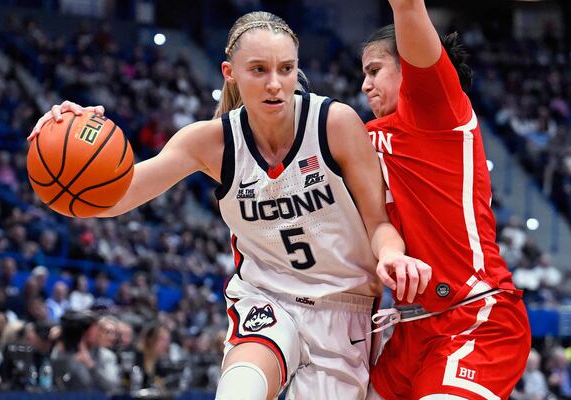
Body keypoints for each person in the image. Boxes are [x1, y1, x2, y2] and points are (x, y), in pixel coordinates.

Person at [29, 11, 431, 400]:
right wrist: (66, 141)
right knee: (240, 390)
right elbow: (114, 197)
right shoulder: (210, 142)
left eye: (286, 69)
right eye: (258, 70)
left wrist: (393, 256)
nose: (275, 84)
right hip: (268, 297)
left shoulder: (334, 124)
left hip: (345, 308)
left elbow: (379, 223)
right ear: (230, 74)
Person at [360, 1, 531, 399]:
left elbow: (408, 7)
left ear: (410, 66)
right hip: (407, 331)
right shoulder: (364, 135)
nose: (365, 86)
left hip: (473, 315)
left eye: (374, 71)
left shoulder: (436, 109)